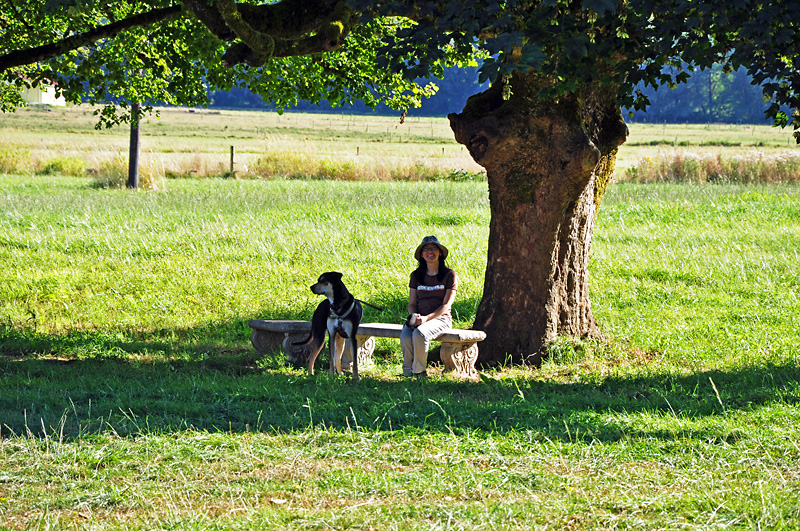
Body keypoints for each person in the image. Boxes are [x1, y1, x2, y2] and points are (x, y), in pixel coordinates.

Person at [400, 235, 458, 377]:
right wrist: (414, 317)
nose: (430, 252)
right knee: (406, 335)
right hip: (420, 318)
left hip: (441, 319)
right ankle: (407, 372)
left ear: (440, 253)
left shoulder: (449, 275)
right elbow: (412, 303)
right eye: (426, 249)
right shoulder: (416, 276)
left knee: (420, 334)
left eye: (434, 248)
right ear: (421, 254)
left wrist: (426, 319)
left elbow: (446, 305)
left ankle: (419, 372)